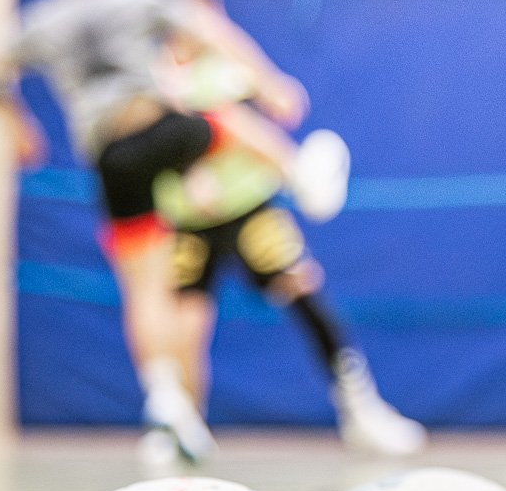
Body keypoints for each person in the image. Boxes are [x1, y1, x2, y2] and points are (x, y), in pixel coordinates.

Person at [0, 0, 348, 465]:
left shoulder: (42, 21)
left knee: (144, 284)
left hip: (110, 155)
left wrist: (20, 129)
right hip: (155, 125)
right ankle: (299, 175)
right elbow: (212, 31)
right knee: (224, 122)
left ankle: (165, 397)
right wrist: (269, 84)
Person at [156, 29, 426, 460]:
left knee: (303, 291)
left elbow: (278, 105)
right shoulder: (158, 82)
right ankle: (182, 424)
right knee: (186, 318)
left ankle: (360, 409)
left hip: (250, 207)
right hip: (190, 221)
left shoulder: (225, 72)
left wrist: (271, 88)